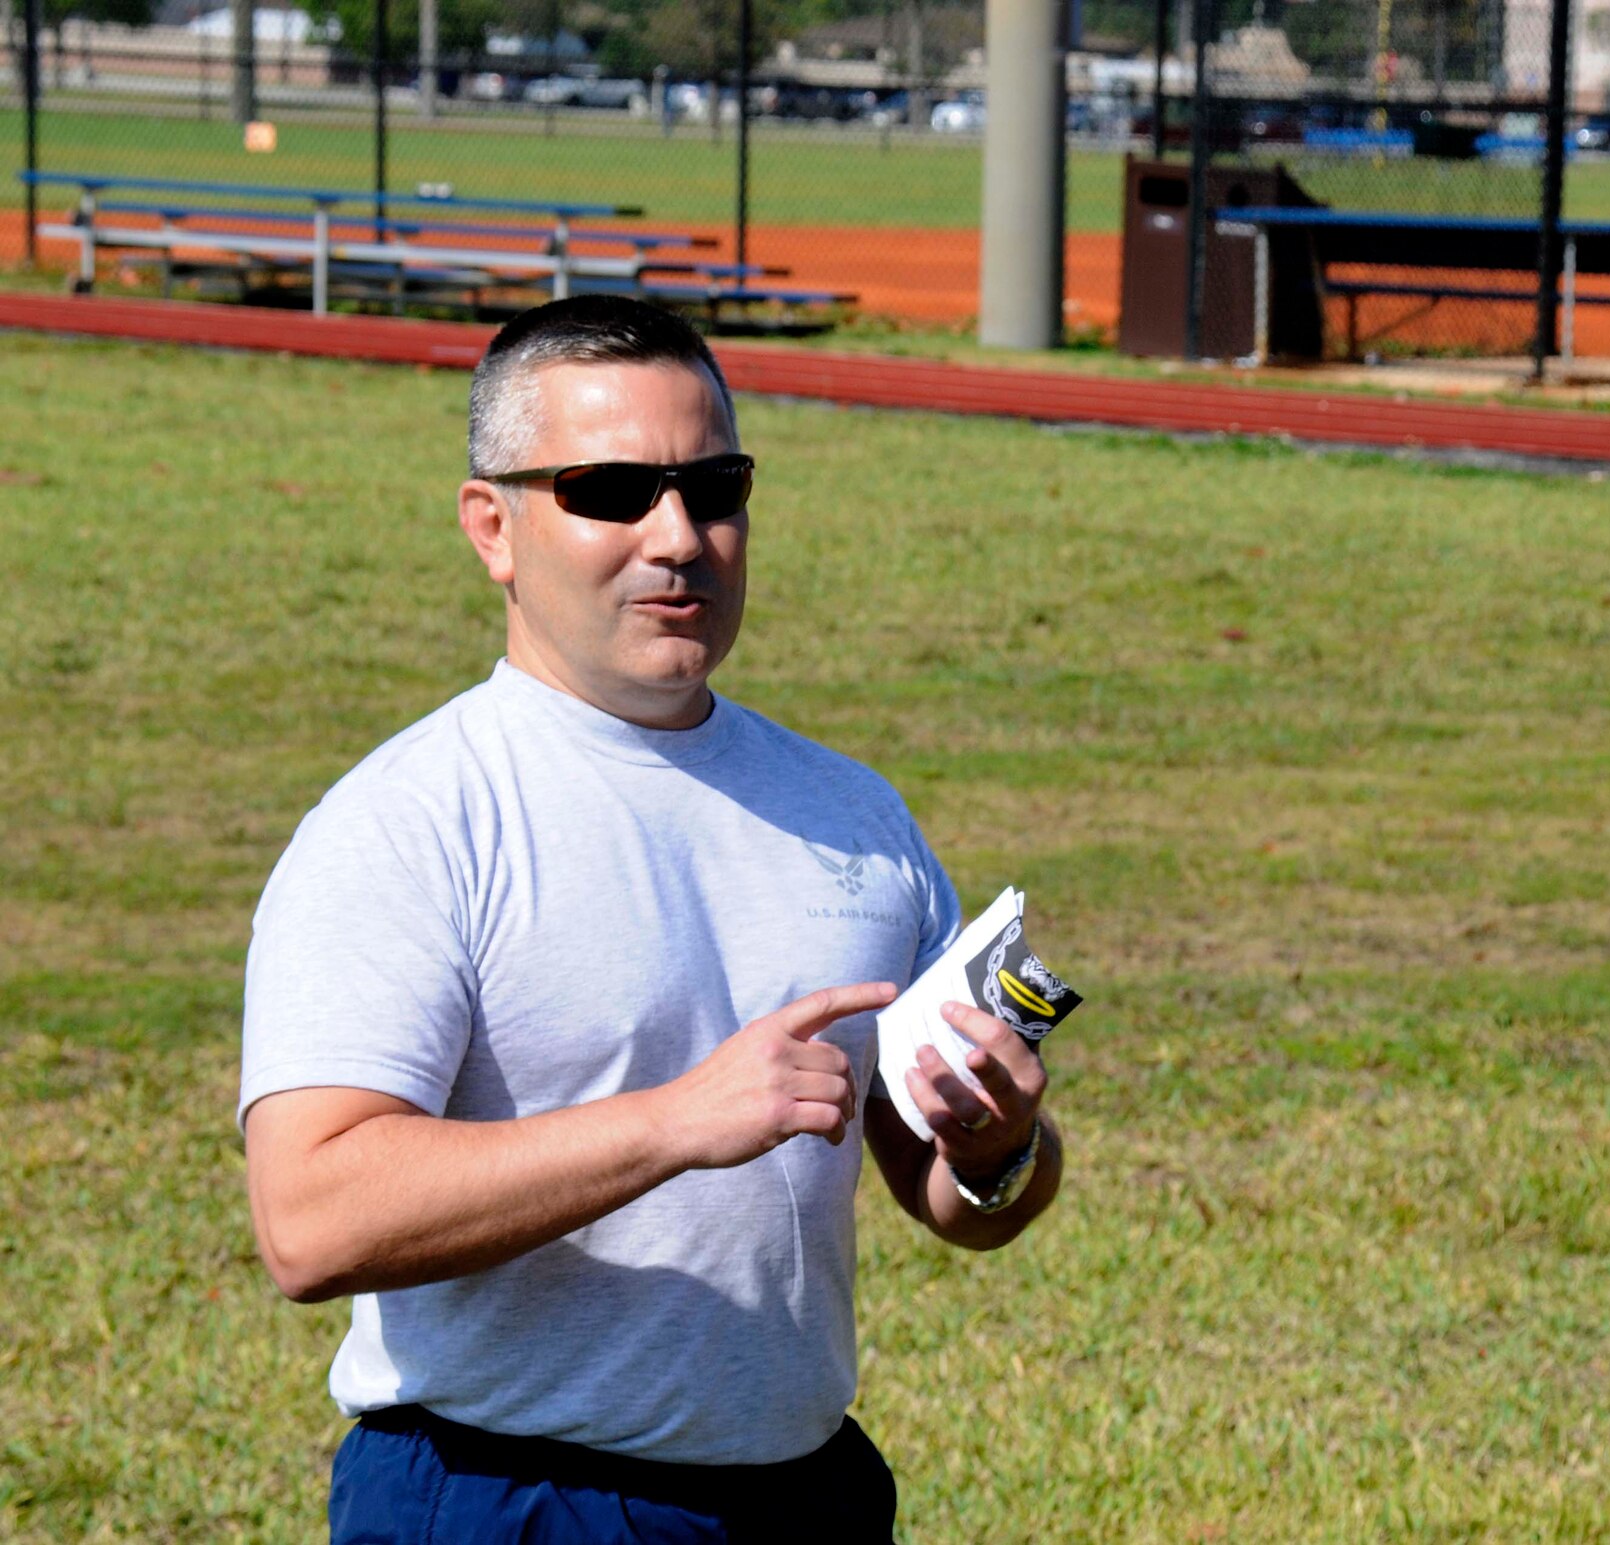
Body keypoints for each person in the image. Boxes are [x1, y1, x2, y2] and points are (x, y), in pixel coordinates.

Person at [238, 295, 1064, 1543]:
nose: (675, 537)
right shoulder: (411, 823)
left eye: (712, 487)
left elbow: (946, 1195)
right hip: (498, 1500)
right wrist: (674, 1124)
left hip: (803, 1493)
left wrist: (999, 1152)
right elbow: (309, 1220)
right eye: (611, 489)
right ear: (492, 528)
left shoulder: (851, 814)